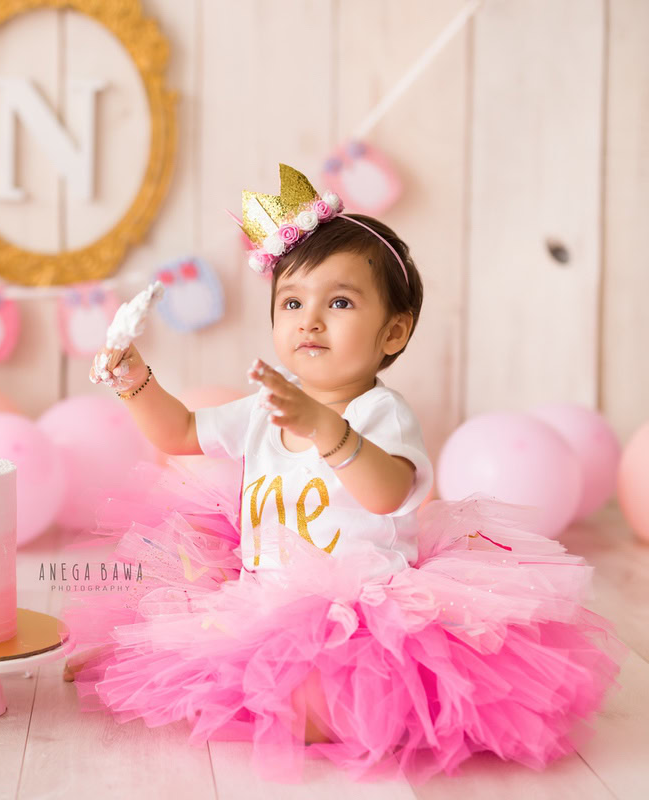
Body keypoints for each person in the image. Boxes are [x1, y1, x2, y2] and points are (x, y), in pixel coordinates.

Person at [60, 164, 626, 784]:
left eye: (339, 302)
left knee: (318, 702)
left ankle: (339, 707)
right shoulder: (264, 407)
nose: (310, 320)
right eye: (293, 302)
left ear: (393, 331)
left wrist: (325, 427)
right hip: (265, 595)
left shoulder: (379, 413)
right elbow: (179, 434)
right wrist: (136, 382)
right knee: (200, 637)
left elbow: (387, 494)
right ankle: (140, 656)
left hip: (360, 610)